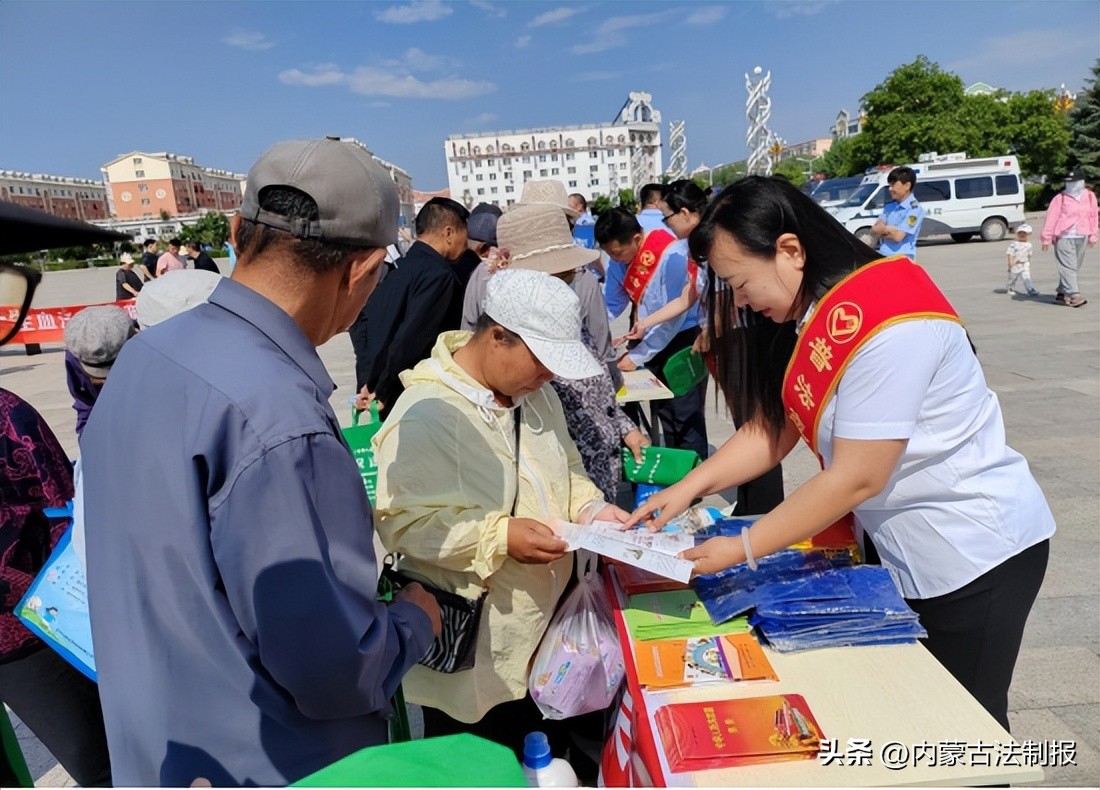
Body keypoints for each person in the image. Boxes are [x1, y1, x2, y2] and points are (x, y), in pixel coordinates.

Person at [628, 176, 1054, 732]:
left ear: (790, 250)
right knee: (917, 713)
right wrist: (685, 489)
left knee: (968, 726)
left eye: (739, 283)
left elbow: (857, 477)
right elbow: (772, 429)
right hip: (903, 543)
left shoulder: (890, 322)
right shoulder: (820, 312)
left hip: (971, 552)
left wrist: (742, 549)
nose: (741, 301)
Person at [80, 137, 440, 786]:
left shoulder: (148, 354)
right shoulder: (279, 418)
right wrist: (416, 619)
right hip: (274, 762)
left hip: (160, 747)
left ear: (235, 231)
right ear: (361, 270)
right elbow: (333, 669)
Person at [373, 268, 629, 782]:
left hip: (548, 638)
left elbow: (568, 469)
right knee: (480, 764)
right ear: (497, 337)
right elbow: (402, 523)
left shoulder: (537, 396)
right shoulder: (427, 413)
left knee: (544, 757)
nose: (548, 376)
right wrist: (500, 536)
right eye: (541, 361)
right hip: (476, 645)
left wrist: (592, 511)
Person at [0, 263, 112, 788]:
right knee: (102, 762)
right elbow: (66, 507)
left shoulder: (8, 415)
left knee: (99, 761)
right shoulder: (7, 414)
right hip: (32, 623)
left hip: (26, 630)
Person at [463, 202, 648, 501]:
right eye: (562, 277)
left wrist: (625, 428)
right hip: (561, 499)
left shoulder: (561, 315)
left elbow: (593, 388)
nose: (572, 282)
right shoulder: (512, 355)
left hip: (596, 487)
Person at [625, 178, 786, 516]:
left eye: (668, 217)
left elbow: (728, 296)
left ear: (686, 212)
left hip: (740, 340)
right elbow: (690, 296)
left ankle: (764, 507)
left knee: (757, 424)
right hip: (725, 339)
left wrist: (710, 331)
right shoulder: (696, 247)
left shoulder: (718, 240)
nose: (666, 224)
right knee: (746, 425)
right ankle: (751, 503)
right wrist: (646, 322)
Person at [597, 207, 709, 460]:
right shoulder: (619, 259)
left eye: (617, 253)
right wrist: (596, 332)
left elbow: (673, 317)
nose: (615, 260)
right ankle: (674, 471)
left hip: (681, 338)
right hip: (648, 338)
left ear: (636, 239)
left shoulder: (670, 254)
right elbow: (612, 304)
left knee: (684, 414)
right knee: (665, 413)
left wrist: (637, 356)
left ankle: (697, 471)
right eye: (610, 254)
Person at [350, 197, 469, 418]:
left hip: (385, 392)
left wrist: (370, 383)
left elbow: (366, 328)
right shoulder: (439, 276)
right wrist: (385, 390)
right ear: (449, 233)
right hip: (414, 396)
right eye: (466, 236)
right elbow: (411, 338)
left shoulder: (400, 270)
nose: (466, 245)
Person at [63, 306, 135, 440]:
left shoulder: (155, 353)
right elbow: (85, 402)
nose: (105, 381)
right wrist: (86, 438)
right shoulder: (77, 354)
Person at [1041, 166, 1097, 308]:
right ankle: (1074, 295)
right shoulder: (1060, 198)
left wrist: (1093, 235)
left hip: (1082, 235)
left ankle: (1062, 293)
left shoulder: (1089, 196)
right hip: (1064, 237)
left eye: (1074, 182)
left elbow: (1093, 216)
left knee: (1074, 267)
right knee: (1068, 266)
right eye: (1069, 182)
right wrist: (1046, 238)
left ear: (1081, 182)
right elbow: (1051, 218)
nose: (1071, 185)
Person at [870, 166, 924, 258]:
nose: (890, 189)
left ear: (907, 186)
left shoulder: (915, 209)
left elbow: (898, 237)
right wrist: (890, 229)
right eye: (889, 185)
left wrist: (881, 231)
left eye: (893, 185)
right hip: (883, 255)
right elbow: (873, 230)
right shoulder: (889, 207)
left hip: (902, 257)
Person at [1005, 223, 1040, 296]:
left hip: (1024, 264)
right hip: (1015, 264)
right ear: (1017, 234)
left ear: (1028, 235)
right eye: (1020, 234)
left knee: (1026, 277)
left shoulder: (1029, 245)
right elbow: (1010, 253)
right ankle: (1010, 288)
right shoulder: (1014, 244)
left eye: (1024, 234)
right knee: (1013, 277)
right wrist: (1010, 263)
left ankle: (1030, 289)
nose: (1022, 235)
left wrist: (1028, 263)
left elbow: (1029, 255)